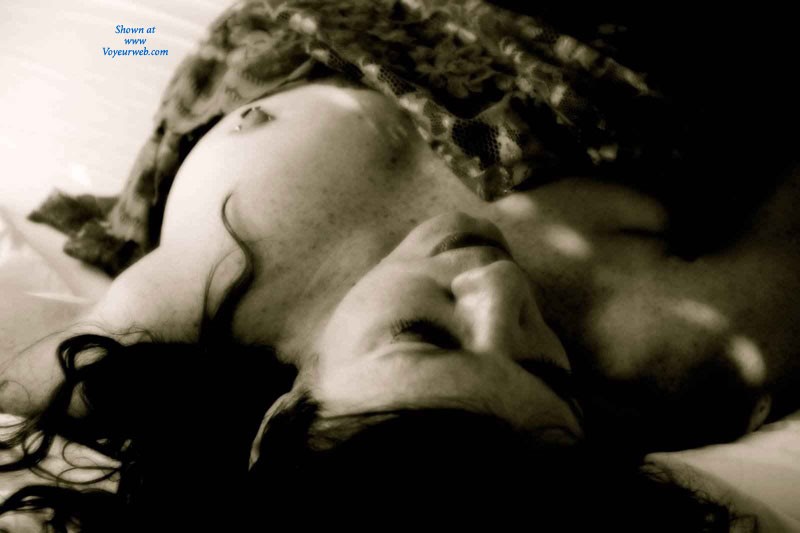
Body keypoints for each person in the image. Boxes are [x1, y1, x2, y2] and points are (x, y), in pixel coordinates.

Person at [1, 0, 798, 530]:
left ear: (281, 416)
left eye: (422, 333)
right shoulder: (676, 339)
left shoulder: (168, 312)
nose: (495, 286)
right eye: (548, 372)